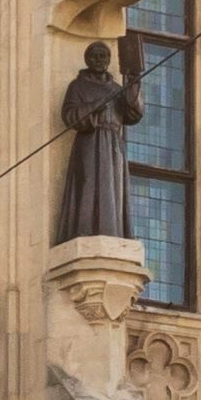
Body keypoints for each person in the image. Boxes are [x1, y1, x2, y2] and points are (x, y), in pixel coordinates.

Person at [51, 31, 144, 250]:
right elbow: (70, 115)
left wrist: (133, 81)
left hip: (113, 143)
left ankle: (113, 231)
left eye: (103, 56)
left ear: (109, 60)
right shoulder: (78, 86)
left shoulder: (116, 89)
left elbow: (134, 114)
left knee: (112, 188)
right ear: (87, 60)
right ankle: (84, 230)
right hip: (90, 142)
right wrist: (95, 106)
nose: (99, 60)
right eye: (95, 56)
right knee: (89, 183)